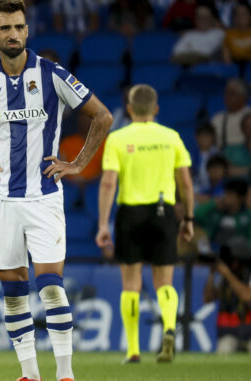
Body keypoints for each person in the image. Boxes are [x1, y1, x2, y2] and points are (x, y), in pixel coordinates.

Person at [0, 2, 113, 380]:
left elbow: (103, 116)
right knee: (15, 291)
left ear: (27, 30)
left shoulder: (51, 75)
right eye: (5, 28)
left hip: (43, 197)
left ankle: (65, 374)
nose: (13, 34)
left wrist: (79, 163)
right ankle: (30, 375)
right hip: (1, 199)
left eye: (19, 26)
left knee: (51, 286)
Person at [96, 84, 195, 364]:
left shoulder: (118, 138)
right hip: (163, 212)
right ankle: (168, 328)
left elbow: (108, 182)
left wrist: (104, 224)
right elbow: (186, 183)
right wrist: (188, 218)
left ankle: (133, 350)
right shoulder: (171, 137)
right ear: (156, 109)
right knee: (164, 281)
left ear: (128, 109)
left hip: (131, 213)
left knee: (131, 284)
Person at [199, 180, 251, 353]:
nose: (230, 262)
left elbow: (247, 297)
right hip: (229, 334)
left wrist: (227, 274)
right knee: (223, 351)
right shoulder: (225, 274)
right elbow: (208, 298)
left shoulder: (246, 273)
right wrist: (212, 274)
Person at [211, 79, 251, 149]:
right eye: (226, 93)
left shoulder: (249, 116)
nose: (227, 97)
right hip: (222, 156)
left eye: (232, 94)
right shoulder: (217, 119)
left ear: (243, 97)